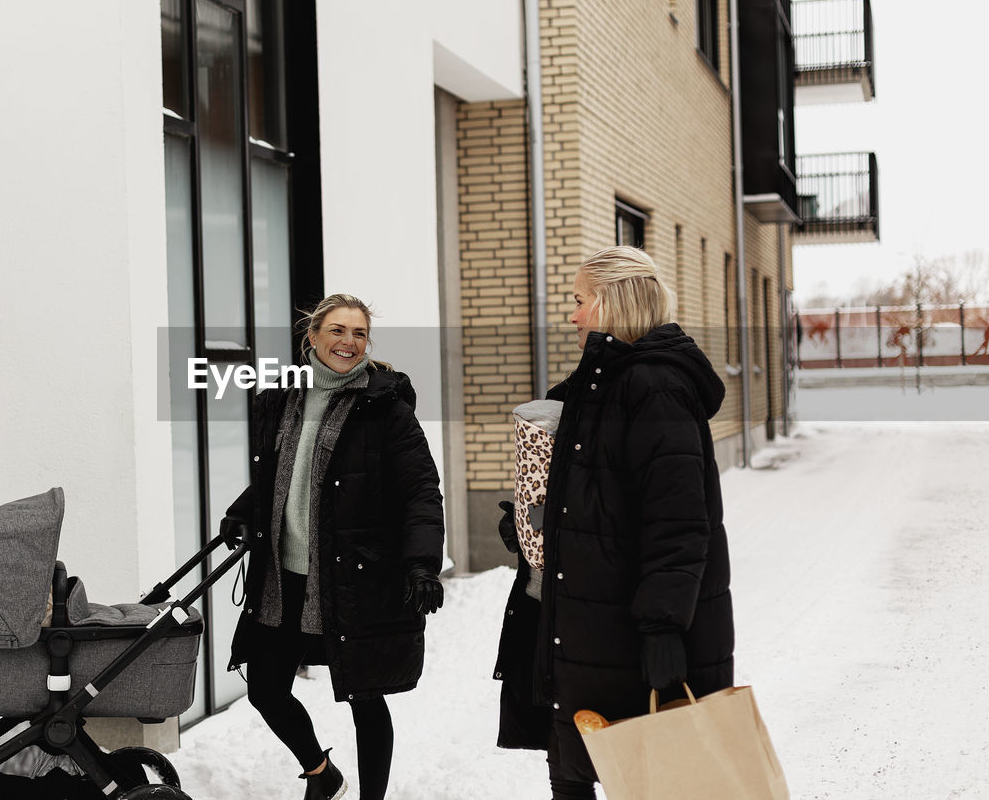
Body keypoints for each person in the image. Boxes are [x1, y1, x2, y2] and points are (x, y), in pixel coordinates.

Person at [494, 246, 735, 800]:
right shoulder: (597, 380)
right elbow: (594, 489)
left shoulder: (655, 387)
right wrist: (537, 523)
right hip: (588, 624)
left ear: (612, 301)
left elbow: (677, 521)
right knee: (578, 774)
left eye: (580, 301)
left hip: (629, 630)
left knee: (651, 780)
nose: (573, 315)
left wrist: (663, 629)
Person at [220, 293, 446, 800]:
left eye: (359, 333)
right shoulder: (285, 397)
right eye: (338, 331)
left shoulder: (385, 408)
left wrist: (422, 565)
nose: (349, 342)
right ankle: (322, 773)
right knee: (266, 688)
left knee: (365, 696)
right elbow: (281, 476)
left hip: (353, 575)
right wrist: (242, 512)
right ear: (313, 337)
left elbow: (421, 492)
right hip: (285, 574)